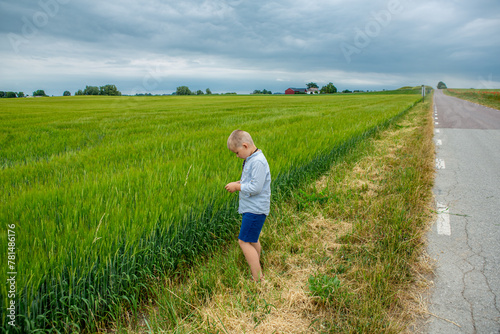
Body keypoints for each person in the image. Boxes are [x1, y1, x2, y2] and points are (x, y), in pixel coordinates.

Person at [225, 130, 271, 282]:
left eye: (237, 152)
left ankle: (257, 278)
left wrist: (238, 187)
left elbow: (256, 188)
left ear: (245, 146)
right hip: (252, 208)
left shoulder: (257, 161)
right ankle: (257, 265)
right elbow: (251, 181)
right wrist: (239, 183)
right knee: (252, 240)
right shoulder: (252, 158)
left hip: (255, 209)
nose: (237, 156)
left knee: (243, 241)